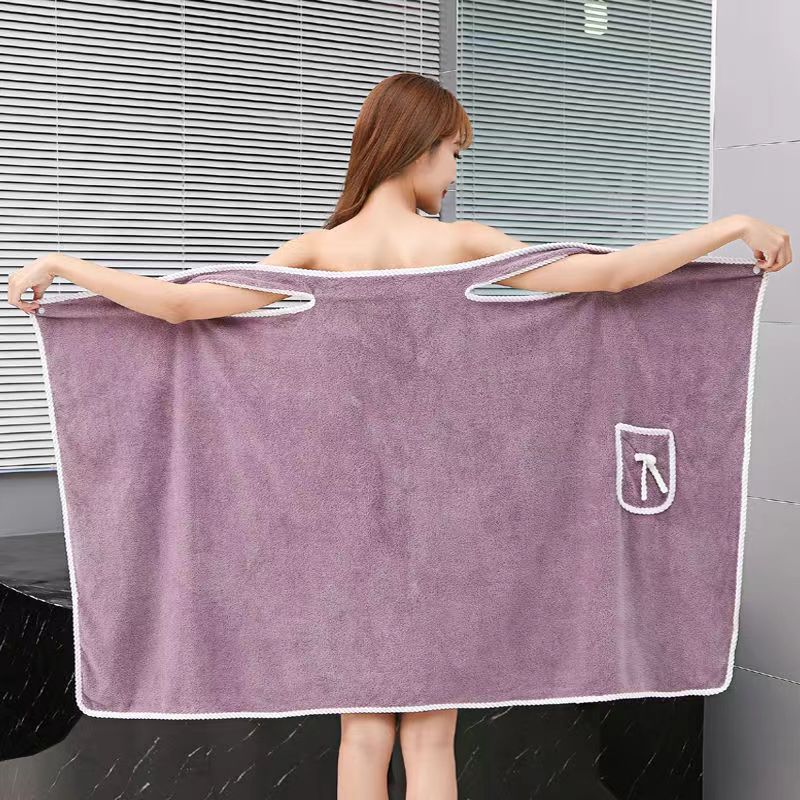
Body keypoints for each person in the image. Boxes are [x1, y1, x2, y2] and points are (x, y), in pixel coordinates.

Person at [6, 71, 793, 800]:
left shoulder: (319, 252)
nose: (453, 173)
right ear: (418, 147)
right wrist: (727, 227)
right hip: (447, 534)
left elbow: (180, 308)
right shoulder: (459, 244)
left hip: (342, 536)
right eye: (453, 153)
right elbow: (609, 276)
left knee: (361, 735)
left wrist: (67, 266)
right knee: (430, 738)